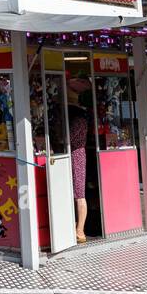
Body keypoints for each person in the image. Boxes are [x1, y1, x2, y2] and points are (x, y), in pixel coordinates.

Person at [67, 80, 90, 243]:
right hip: (76, 153)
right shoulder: (81, 116)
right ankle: (76, 227)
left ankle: (80, 230)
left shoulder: (77, 118)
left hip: (76, 154)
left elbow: (70, 138)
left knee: (79, 194)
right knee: (77, 193)